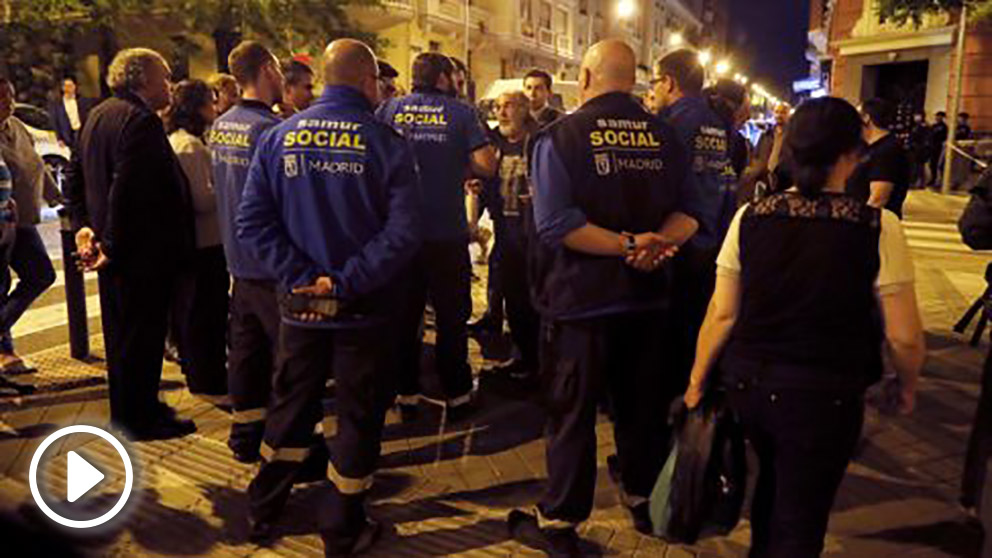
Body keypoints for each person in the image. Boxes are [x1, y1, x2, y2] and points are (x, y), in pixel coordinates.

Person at [683, 96, 926, 558]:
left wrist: (696, 381)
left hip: (749, 384)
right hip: (826, 394)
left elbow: (722, 313)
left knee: (768, 487)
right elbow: (904, 336)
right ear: (853, 155)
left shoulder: (749, 217)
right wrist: (907, 384)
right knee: (803, 510)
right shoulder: (879, 227)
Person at [507, 40, 700, 557]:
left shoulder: (559, 137)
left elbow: (555, 224)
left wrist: (626, 245)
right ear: (633, 79)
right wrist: (654, 245)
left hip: (580, 304)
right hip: (647, 298)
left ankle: (561, 521)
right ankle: (643, 500)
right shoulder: (666, 136)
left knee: (572, 413)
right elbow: (692, 214)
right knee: (640, 408)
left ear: (587, 78)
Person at [238, 38, 421, 555]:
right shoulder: (386, 142)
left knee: (290, 407)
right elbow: (404, 233)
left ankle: (263, 509)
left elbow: (252, 223)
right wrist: (345, 280)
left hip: (300, 307)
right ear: (367, 82)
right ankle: (342, 528)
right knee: (358, 416)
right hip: (363, 310)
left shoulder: (279, 138)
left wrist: (300, 275)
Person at [65, 48, 197, 440]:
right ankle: (138, 420)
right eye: (164, 77)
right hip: (139, 255)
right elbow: (129, 192)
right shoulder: (139, 121)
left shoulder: (99, 115)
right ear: (142, 80)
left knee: (123, 337)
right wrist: (112, 245)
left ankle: (138, 408)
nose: (170, 84)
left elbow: (75, 175)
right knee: (140, 338)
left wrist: (83, 227)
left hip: (115, 252)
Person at [377, 52, 497, 421]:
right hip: (445, 234)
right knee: (450, 318)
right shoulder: (461, 113)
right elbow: (486, 165)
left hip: (399, 234)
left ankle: (406, 394)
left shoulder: (388, 110)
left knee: (403, 317)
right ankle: (457, 394)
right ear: (444, 78)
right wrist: (455, 165)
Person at [208, 40, 285, 462]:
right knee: (285, 358)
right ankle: (288, 443)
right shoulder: (270, 131)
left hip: (238, 260)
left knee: (246, 354)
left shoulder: (223, 124)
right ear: (268, 69)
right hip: (271, 262)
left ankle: (244, 433)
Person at [653, 48, 737, 392]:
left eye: (656, 82)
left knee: (669, 339)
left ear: (669, 82)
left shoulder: (670, 124)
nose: (654, 90)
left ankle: (675, 411)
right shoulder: (717, 123)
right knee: (695, 329)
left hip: (677, 245)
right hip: (712, 240)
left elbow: (659, 187)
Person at [164, 79, 229, 403]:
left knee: (198, 312)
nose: (215, 109)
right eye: (210, 102)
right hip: (205, 242)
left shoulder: (181, 141)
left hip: (197, 243)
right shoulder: (189, 146)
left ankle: (203, 372)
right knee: (206, 313)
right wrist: (228, 190)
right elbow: (202, 199)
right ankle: (208, 377)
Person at [0, 77, 61, 373]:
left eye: (10, 96)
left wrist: (58, 199)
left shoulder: (17, 127)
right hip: (2, 224)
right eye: (1, 98)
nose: (7, 103)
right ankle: (5, 353)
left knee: (41, 275)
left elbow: (35, 163)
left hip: (23, 220)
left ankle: (3, 342)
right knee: (1, 285)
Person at [481, 91, 540, 381]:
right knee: (513, 297)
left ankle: (539, 358)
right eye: (498, 107)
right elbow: (483, 175)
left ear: (524, 109)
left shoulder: (540, 140)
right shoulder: (494, 141)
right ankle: (523, 357)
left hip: (533, 233)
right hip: (504, 228)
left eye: (508, 106)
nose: (501, 112)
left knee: (534, 297)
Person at [847, 98, 911, 218]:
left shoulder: (887, 151)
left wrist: (858, 225)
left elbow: (878, 198)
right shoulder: (867, 147)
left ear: (866, 118)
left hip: (875, 226)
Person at [49, 76, 94, 153]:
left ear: (75, 87)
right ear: (62, 88)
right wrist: (59, 138)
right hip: (67, 134)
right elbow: (55, 122)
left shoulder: (82, 101)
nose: (68, 88)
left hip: (81, 132)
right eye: (66, 86)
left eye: (70, 86)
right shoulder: (58, 104)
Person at [908, 112, 931, 188]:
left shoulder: (924, 127)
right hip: (914, 149)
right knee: (915, 166)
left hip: (921, 150)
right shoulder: (914, 126)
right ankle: (914, 181)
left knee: (920, 167)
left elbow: (926, 139)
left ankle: (920, 183)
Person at [928, 111, 949, 187]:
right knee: (932, 164)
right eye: (937, 116)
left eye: (939, 116)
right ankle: (933, 179)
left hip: (939, 148)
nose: (937, 118)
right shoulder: (933, 126)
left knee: (939, 165)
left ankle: (940, 181)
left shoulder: (944, 127)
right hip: (932, 147)